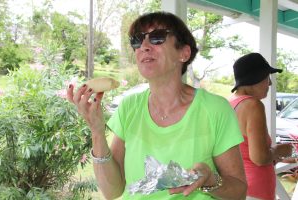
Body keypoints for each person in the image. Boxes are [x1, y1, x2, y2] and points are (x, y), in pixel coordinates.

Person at [67, 11, 247, 200]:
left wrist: (211, 181)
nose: (144, 46)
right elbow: (112, 191)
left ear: (184, 53)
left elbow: (239, 192)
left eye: (157, 37)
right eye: (137, 41)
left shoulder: (215, 109)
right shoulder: (129, 107)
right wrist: (96, 131)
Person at [229, 52, 293, 200]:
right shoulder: (253, 105)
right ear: (255, 78)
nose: (270, 83)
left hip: (238, 188)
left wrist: (275, 157)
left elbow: (243, 152)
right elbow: (259, 157)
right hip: (256, 191)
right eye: (267, 77)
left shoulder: (231, 103)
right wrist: (280, 149)